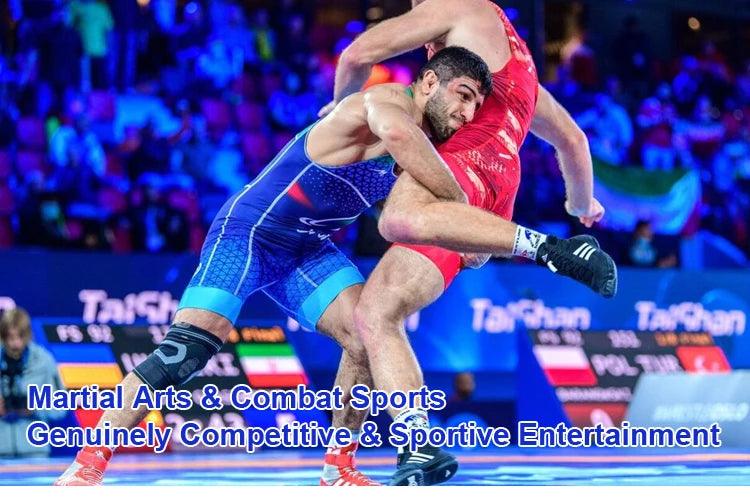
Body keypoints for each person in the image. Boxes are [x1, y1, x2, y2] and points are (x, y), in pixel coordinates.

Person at [55, 45, 493, 486]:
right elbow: (398, 136)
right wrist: (460, 206)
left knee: (366, 335)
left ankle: (338, 468)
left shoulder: (426, 151)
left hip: (307, 251)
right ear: (430, 82)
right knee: (185, 351)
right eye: (464, 94)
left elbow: (405, 217)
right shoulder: (384, 104)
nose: (468, 112)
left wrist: (460, 233)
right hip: (249, 234)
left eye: (476, 104)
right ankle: (87, 464)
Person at [324, 0, 615, 485]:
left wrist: (341, 111)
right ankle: (389, 452)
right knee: (375, 315)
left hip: (463, 165)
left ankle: (550, 250)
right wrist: (582, 208)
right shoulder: (517, 67)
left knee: (396, 218)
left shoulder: (461, 8)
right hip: (501, 187)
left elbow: (357, 54)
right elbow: (574, 141)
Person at [1, 308, 65, 457]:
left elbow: (61, 408)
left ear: (28, 335)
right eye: (10, 337)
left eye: (20, 337)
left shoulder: (44, 361)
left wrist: (36, 406)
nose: (15, 344)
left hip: (35, 452)